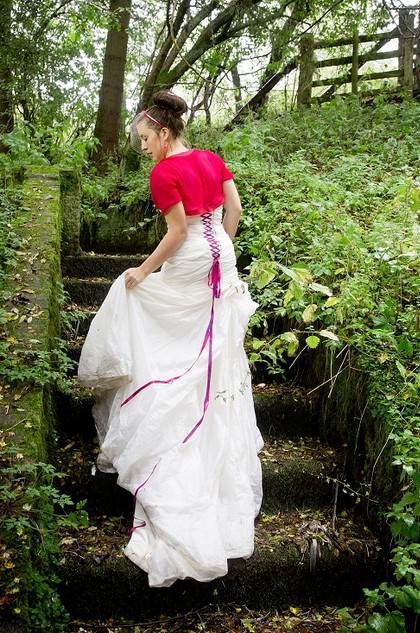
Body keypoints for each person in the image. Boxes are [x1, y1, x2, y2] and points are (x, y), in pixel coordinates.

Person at [77, 90, 264, 588]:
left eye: (144, 139)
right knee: (207, 344)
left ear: (163, 131)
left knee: (139, 297)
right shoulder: (211, 157)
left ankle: (163, 418)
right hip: (221, 254)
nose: (142, 148)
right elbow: (235, 210)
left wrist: (141, 268)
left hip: (190, 256)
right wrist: (220, 251)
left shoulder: (164, 172)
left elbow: (177, 231)